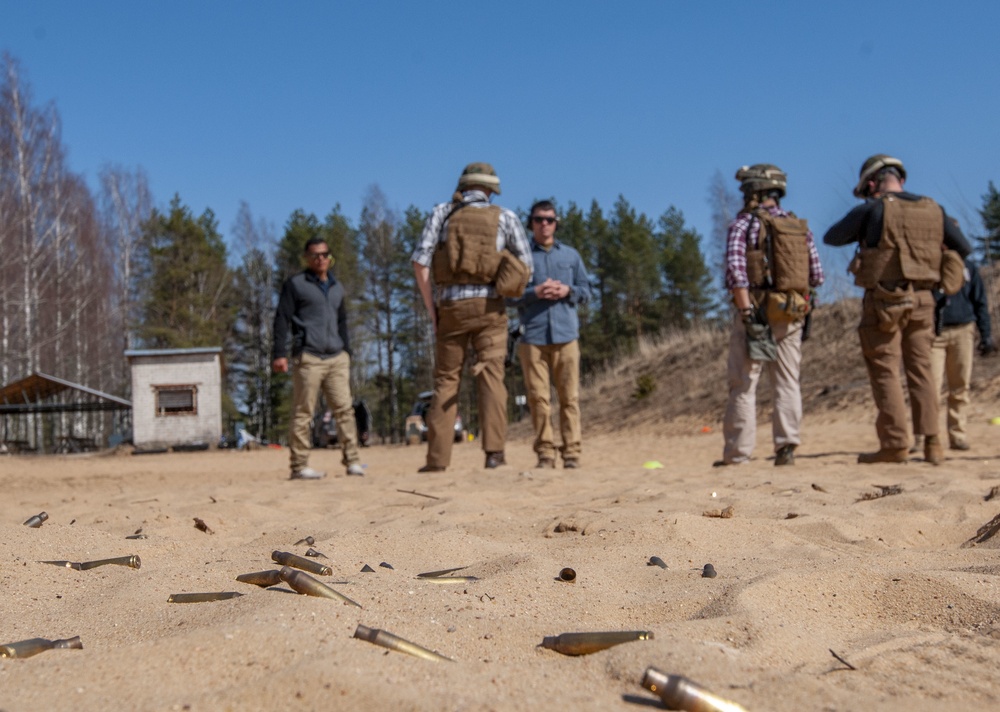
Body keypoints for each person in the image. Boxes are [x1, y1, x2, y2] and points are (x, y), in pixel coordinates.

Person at [824, 154, 973, 464]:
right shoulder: (934, 209)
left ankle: (894, 444)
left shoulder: (874, 208)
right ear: (900, 179)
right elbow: (964, 247)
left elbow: (833, 237)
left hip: (884, 303)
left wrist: (867, 214)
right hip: (924, 301)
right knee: (922, 371)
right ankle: (933, 443)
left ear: (872, 183)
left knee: (885, 370)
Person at [411, 162, 533, 471]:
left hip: (450, 310)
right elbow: (526, 267)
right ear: (491, 190)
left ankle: (437, 461)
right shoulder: (505, 217)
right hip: (490, 309)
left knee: (446, 382)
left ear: (462, 187)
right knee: (492, 378)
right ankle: (494, 454)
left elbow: (420, 263)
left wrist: (432, 310)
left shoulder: (441, 212)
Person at [718, 164, 824, 467]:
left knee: (744, 384)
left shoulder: (742, 226)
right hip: (791, 313)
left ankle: (738, 454)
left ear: (753, 191)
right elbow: (816, 276)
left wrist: (747, 313)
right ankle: (786, 447)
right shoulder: (798, 226)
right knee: (788, 382)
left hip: (755, 312)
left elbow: (736, 275)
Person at [272, 237, 364, 479]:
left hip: (337, 357)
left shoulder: (337, 287)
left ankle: (353, 462)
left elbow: (342, 321)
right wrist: (279, 353)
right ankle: (299, 466)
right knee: (303, 412)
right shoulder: (296, 284)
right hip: (309, 357)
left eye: (324, 254)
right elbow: (281, 318)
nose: (320, 259)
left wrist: (347, 350)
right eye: (315, 255)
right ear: (306, 258)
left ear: (330, 257)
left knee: (345, 410)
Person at [509, 200, 591, 469]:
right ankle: (545, 453)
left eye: (550, 219)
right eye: (539, 219)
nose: (544, 224)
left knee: (570, 398)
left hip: (567, 337)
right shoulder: (521, 258)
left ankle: (572, 453)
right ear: (531, 223)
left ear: (556, 223)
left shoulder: (571, 255)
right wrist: (536, 292)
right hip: (532, 337)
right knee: (538, 399)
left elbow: (587, 292)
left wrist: (567, 291)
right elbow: (508, 296)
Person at [918, 256, 994, 452]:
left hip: (963, 330)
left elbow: (980, 302)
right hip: (933, 333)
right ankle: (926, 436)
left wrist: (986, 335)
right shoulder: (928, 263)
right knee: (929, 387)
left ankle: (957, 435)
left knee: (960, 386)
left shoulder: (968, 267)